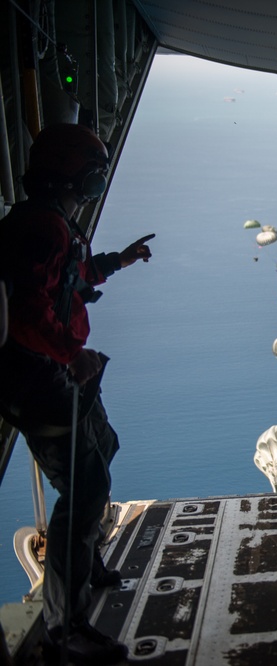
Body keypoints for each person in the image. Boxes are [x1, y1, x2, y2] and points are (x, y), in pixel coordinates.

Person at [0, 122, 155, 664]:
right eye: (93, 174)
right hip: (39, 379)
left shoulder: (54, 224)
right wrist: (70, 353)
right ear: (75, 176)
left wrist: (121, 259)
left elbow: (73, 276)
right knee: (84, 493)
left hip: (57, 371)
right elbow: (27, 312)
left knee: (103, 447)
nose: (95, 183)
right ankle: (64, 626)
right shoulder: (42, 227)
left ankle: (86, 568)